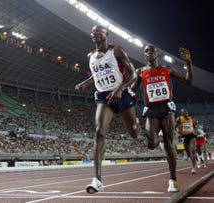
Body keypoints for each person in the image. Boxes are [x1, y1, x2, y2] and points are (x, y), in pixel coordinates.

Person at [74, 25, 140, 194]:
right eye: (92, 32)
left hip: (122, 94)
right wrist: (85, 84)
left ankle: (136, 124)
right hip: (104, 97)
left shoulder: (116, 50)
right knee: (99, 132)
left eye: (99, 31)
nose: (95, 33)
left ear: (106, 34)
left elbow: (132, 74)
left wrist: (119, 89)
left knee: (134, 134)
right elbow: (95, 75)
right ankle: (97, 180)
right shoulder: (90, 56)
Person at [132, 44, 193, 192]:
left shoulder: (168, 69)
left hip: (167, 109)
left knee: (169, 144)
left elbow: (188, 82)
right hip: (151, 110)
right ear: (144, 55)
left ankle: (173, 179)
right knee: (152, 144)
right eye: (146, 51)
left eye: (152, 50)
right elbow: (132, 91)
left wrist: (189, 64)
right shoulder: (140, 72)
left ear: (157, 53)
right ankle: (158, 137)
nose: (149, 53)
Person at [175, 109, 198, 174]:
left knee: (192, 150)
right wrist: (178, 134)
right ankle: (189, 156)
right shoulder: (179, 119)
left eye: (185, 112)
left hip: (191, 135)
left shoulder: (191, 119)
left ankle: (193, 168)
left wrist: (196, 131)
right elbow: (174, 127)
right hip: (184, 136)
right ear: (181, 113)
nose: (184, 113)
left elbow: (195, 127)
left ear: (187, 112)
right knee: (188, 151)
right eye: (182, 113)